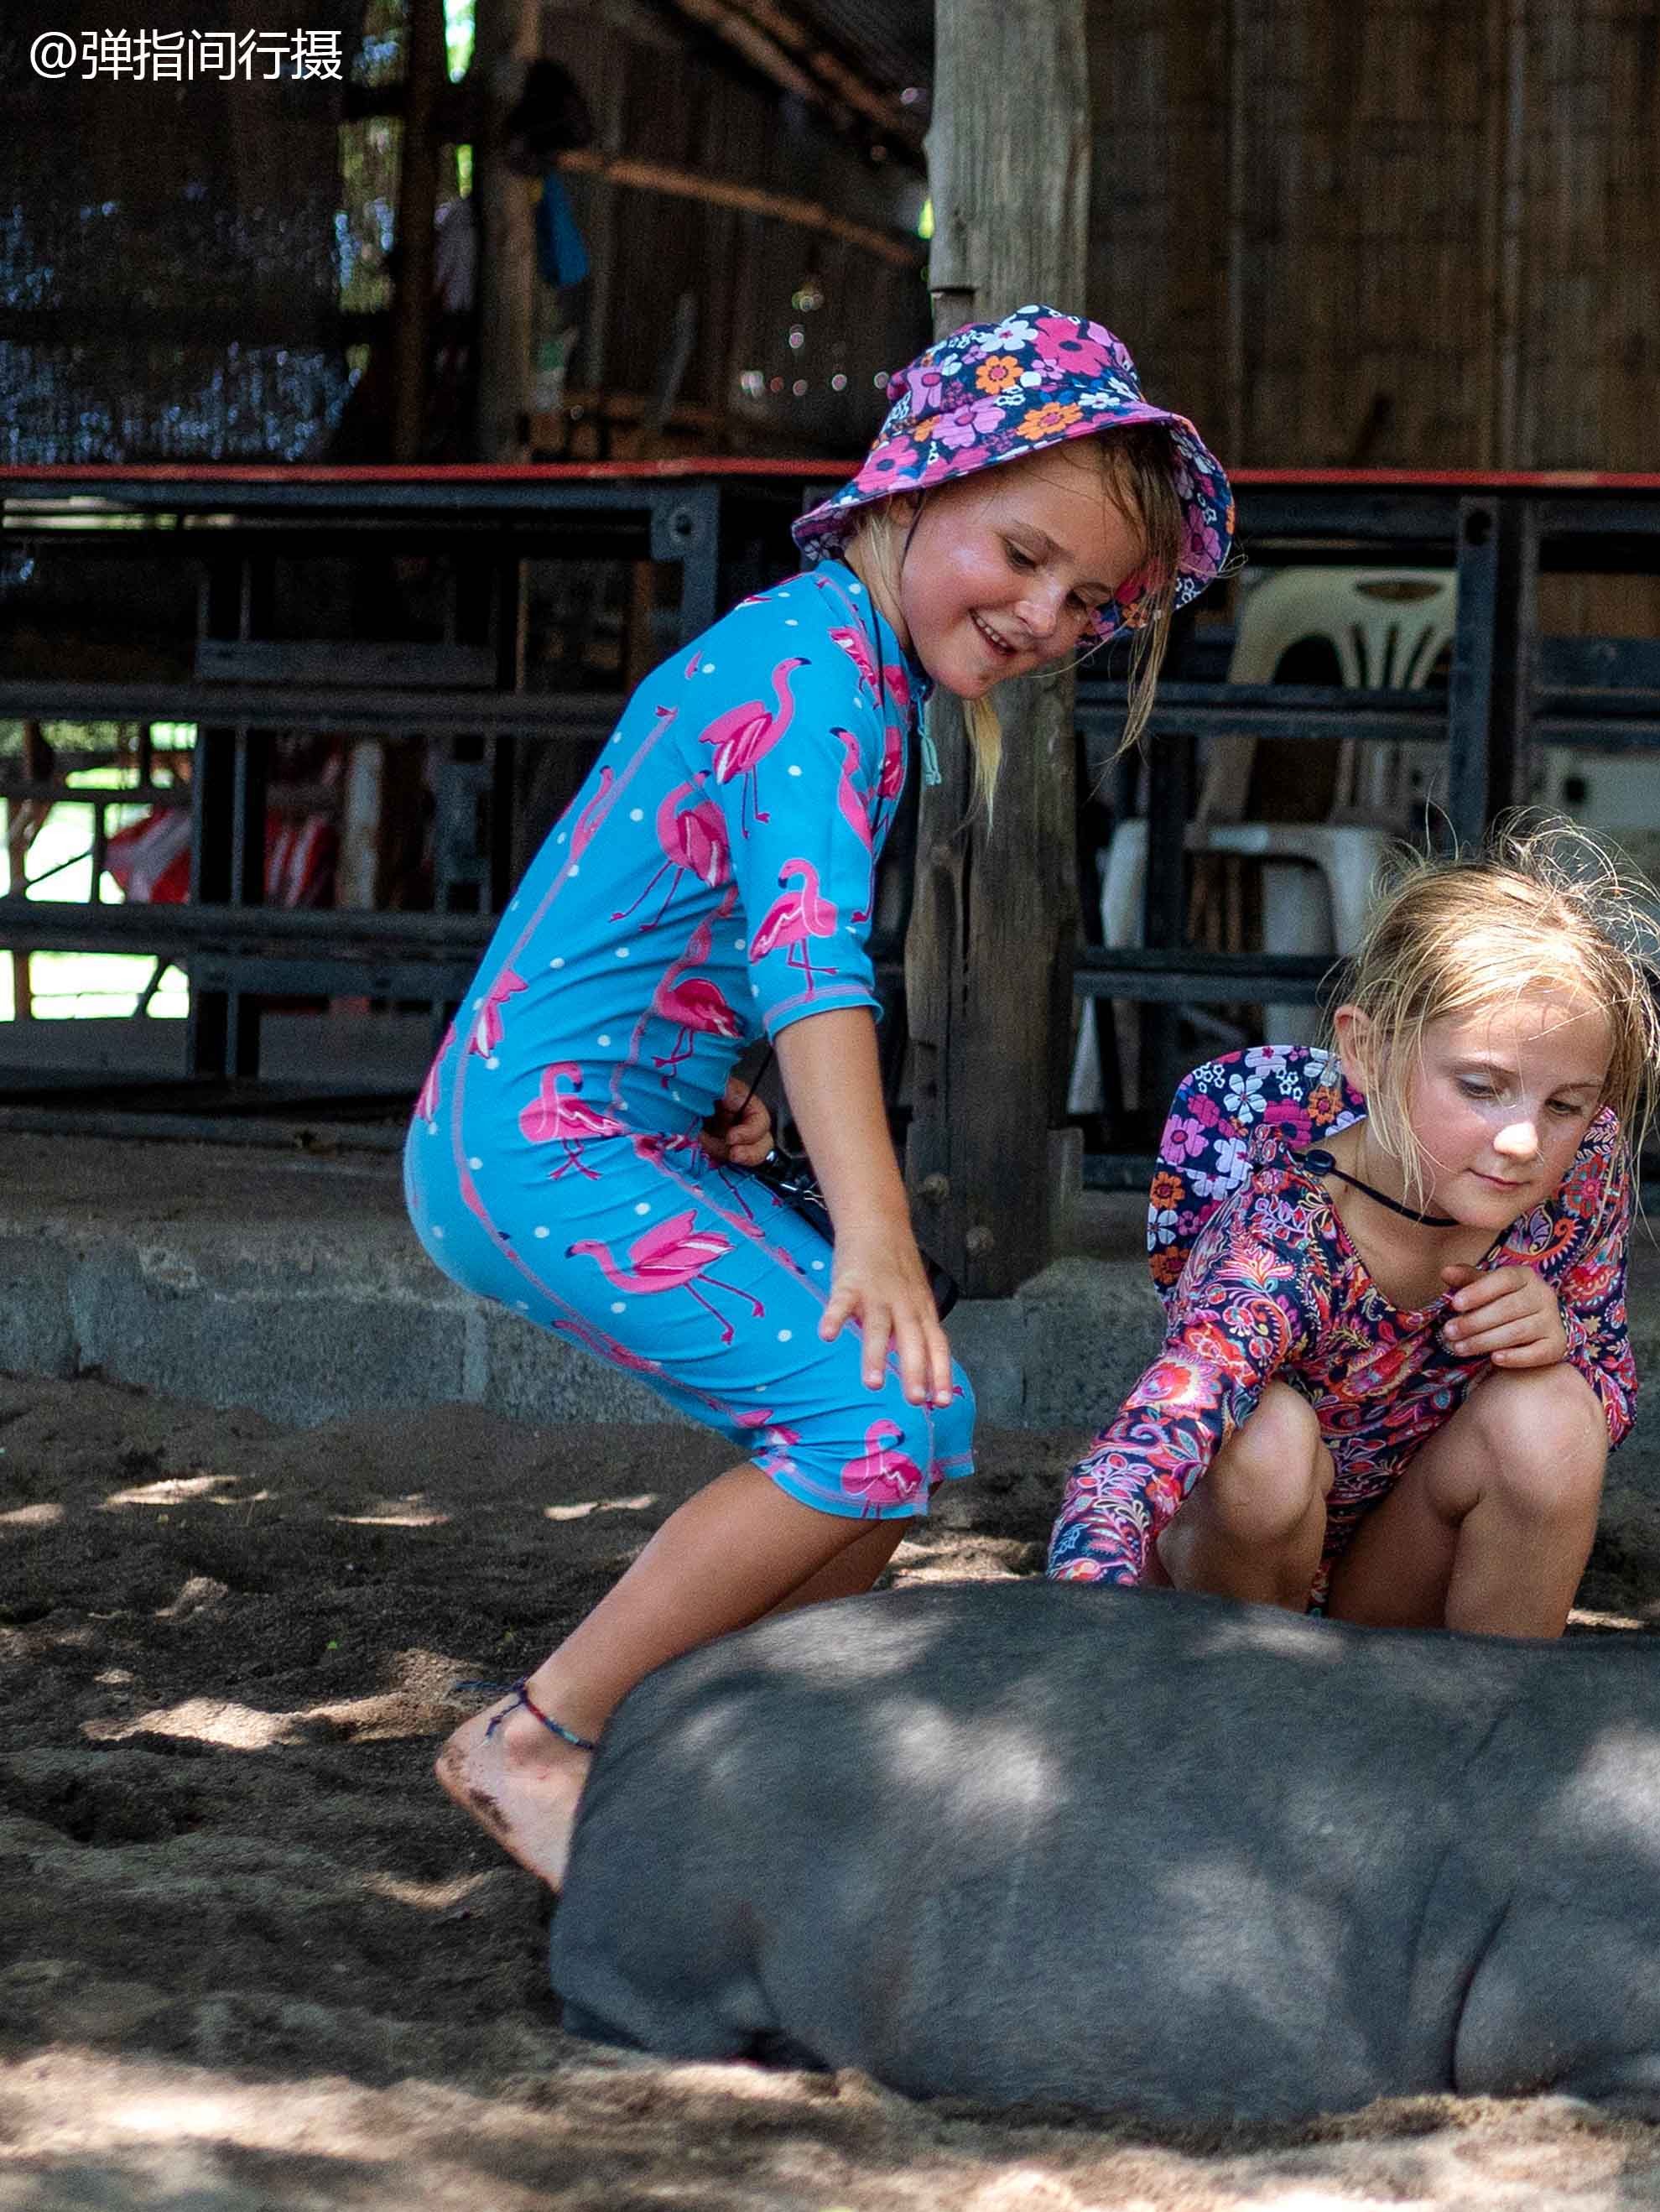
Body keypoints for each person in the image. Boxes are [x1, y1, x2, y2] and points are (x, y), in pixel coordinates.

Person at [408, 305, 1236, 1887]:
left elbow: (689, 930)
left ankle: (739, 1751)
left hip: (606, 1119)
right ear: (916, 486)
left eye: (1089, 602)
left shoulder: (846, 666)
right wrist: (871, 1227)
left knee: (915, 1420)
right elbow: (811, 970)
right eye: (1020, 552)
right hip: (537, 1143)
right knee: (864, 1416)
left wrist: (715, 1083)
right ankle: (541, 1735)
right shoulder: (813, 672)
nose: (1048, 614)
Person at [1049, 821, 1660, 1635]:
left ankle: (1487, 1728)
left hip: (1400, 1575)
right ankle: (1248, 1718)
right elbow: (1174, 1411)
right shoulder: (1280, 1234)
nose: (1525, 1140)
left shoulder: (1579, 1175)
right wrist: (1079, 1587)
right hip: (1234, 1591)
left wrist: (1557, 1343)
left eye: (1563, 1105)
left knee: (1553, 1414)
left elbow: (1607, 1395)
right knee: (1264, 1440)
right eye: (1481, 1086)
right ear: (1367, 1051)